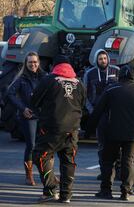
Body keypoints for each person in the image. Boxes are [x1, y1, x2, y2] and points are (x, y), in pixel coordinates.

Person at [91, 66, 134, 201]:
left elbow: (97, 111)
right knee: (128, 161)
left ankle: (106, 190)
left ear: (119, 75)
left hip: (112, 131)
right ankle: (126, 191)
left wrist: (88, 130)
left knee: (108, 161)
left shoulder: (110, 90)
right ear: (133, 75)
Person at [32, 55, 86, 203]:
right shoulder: (79, 83)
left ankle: (50, 189)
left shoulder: (49, 80)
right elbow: (82, 105)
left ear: (55, 66)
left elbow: (34, 100)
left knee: (41, 156)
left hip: (52, 128)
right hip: (73, 129)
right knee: (68, 161)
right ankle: (66, 195)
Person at [6, 52, 46, 186]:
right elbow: (10, 94)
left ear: (39, 62)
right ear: (26, 63)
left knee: (45, 146)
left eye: (35, 62)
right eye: (30, 62)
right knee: (32, 145)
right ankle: (29, 175)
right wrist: (22, 108)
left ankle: (47, 175)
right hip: (28, 117)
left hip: (43, 116)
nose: (33, 64)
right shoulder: (21, 79)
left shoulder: (44, 77)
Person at [83, 49, 119, 179]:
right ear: (96, 60)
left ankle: (117, 171)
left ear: (108, 59)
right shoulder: (90, 73)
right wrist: (92, 111)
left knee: (116, 142)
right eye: (100, 59)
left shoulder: (116, 71)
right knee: (102, 144)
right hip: (99, 114)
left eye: (104, 58)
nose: (103, 61)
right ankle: (104, 171)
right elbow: (85, 95)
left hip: (115, 114)